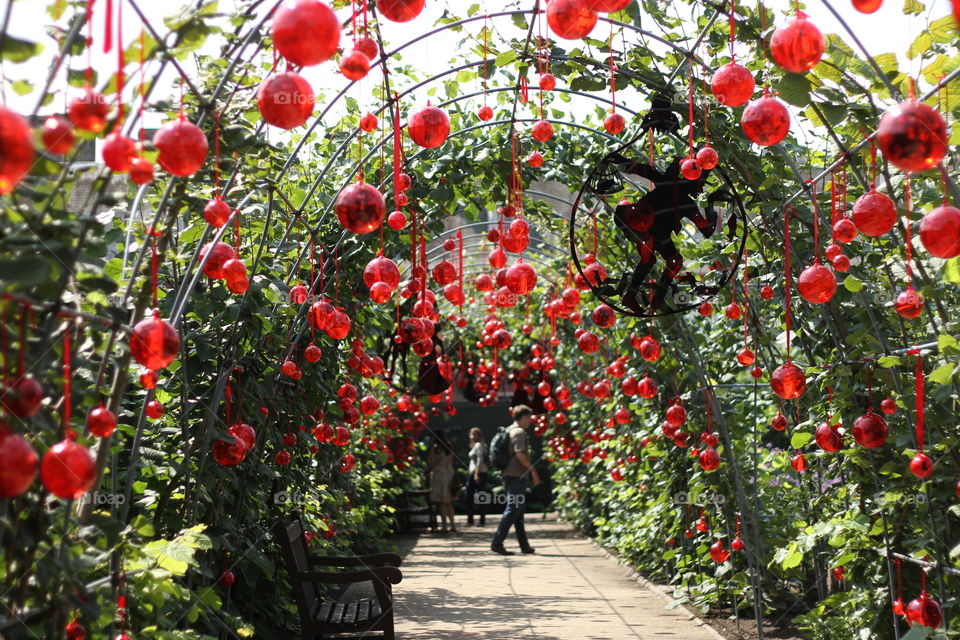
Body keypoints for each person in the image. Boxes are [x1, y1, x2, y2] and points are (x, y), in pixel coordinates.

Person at [491, 405, 540, 555]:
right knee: (513, 509)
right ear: (523, 417)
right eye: (529, 418)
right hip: (516, 475)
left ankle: (524, 546)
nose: (530, 421)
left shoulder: (509, 430)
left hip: (510, 474)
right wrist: (533, 470)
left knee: (518, 511)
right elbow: (520, 454)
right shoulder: (519, 432)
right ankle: (497, 543)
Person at [427, 430, 457, 533]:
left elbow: (431, 463)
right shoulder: (449, 445)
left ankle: (444, 526)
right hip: (449, 474)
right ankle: (452, 525)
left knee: (442, 502)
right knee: (449, 502)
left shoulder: (436, 448)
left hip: (439, 475)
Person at [466, 427, 488, 526]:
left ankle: (475, 520)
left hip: (478, 473)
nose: (473, 436)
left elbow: (480, 460)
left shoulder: (478, 445)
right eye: (472, 434)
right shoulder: (476, 445)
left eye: (475, 434)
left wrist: (476, 474)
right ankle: (478, 520)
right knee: (480, 496)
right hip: (479, 472)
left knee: (474, 496)